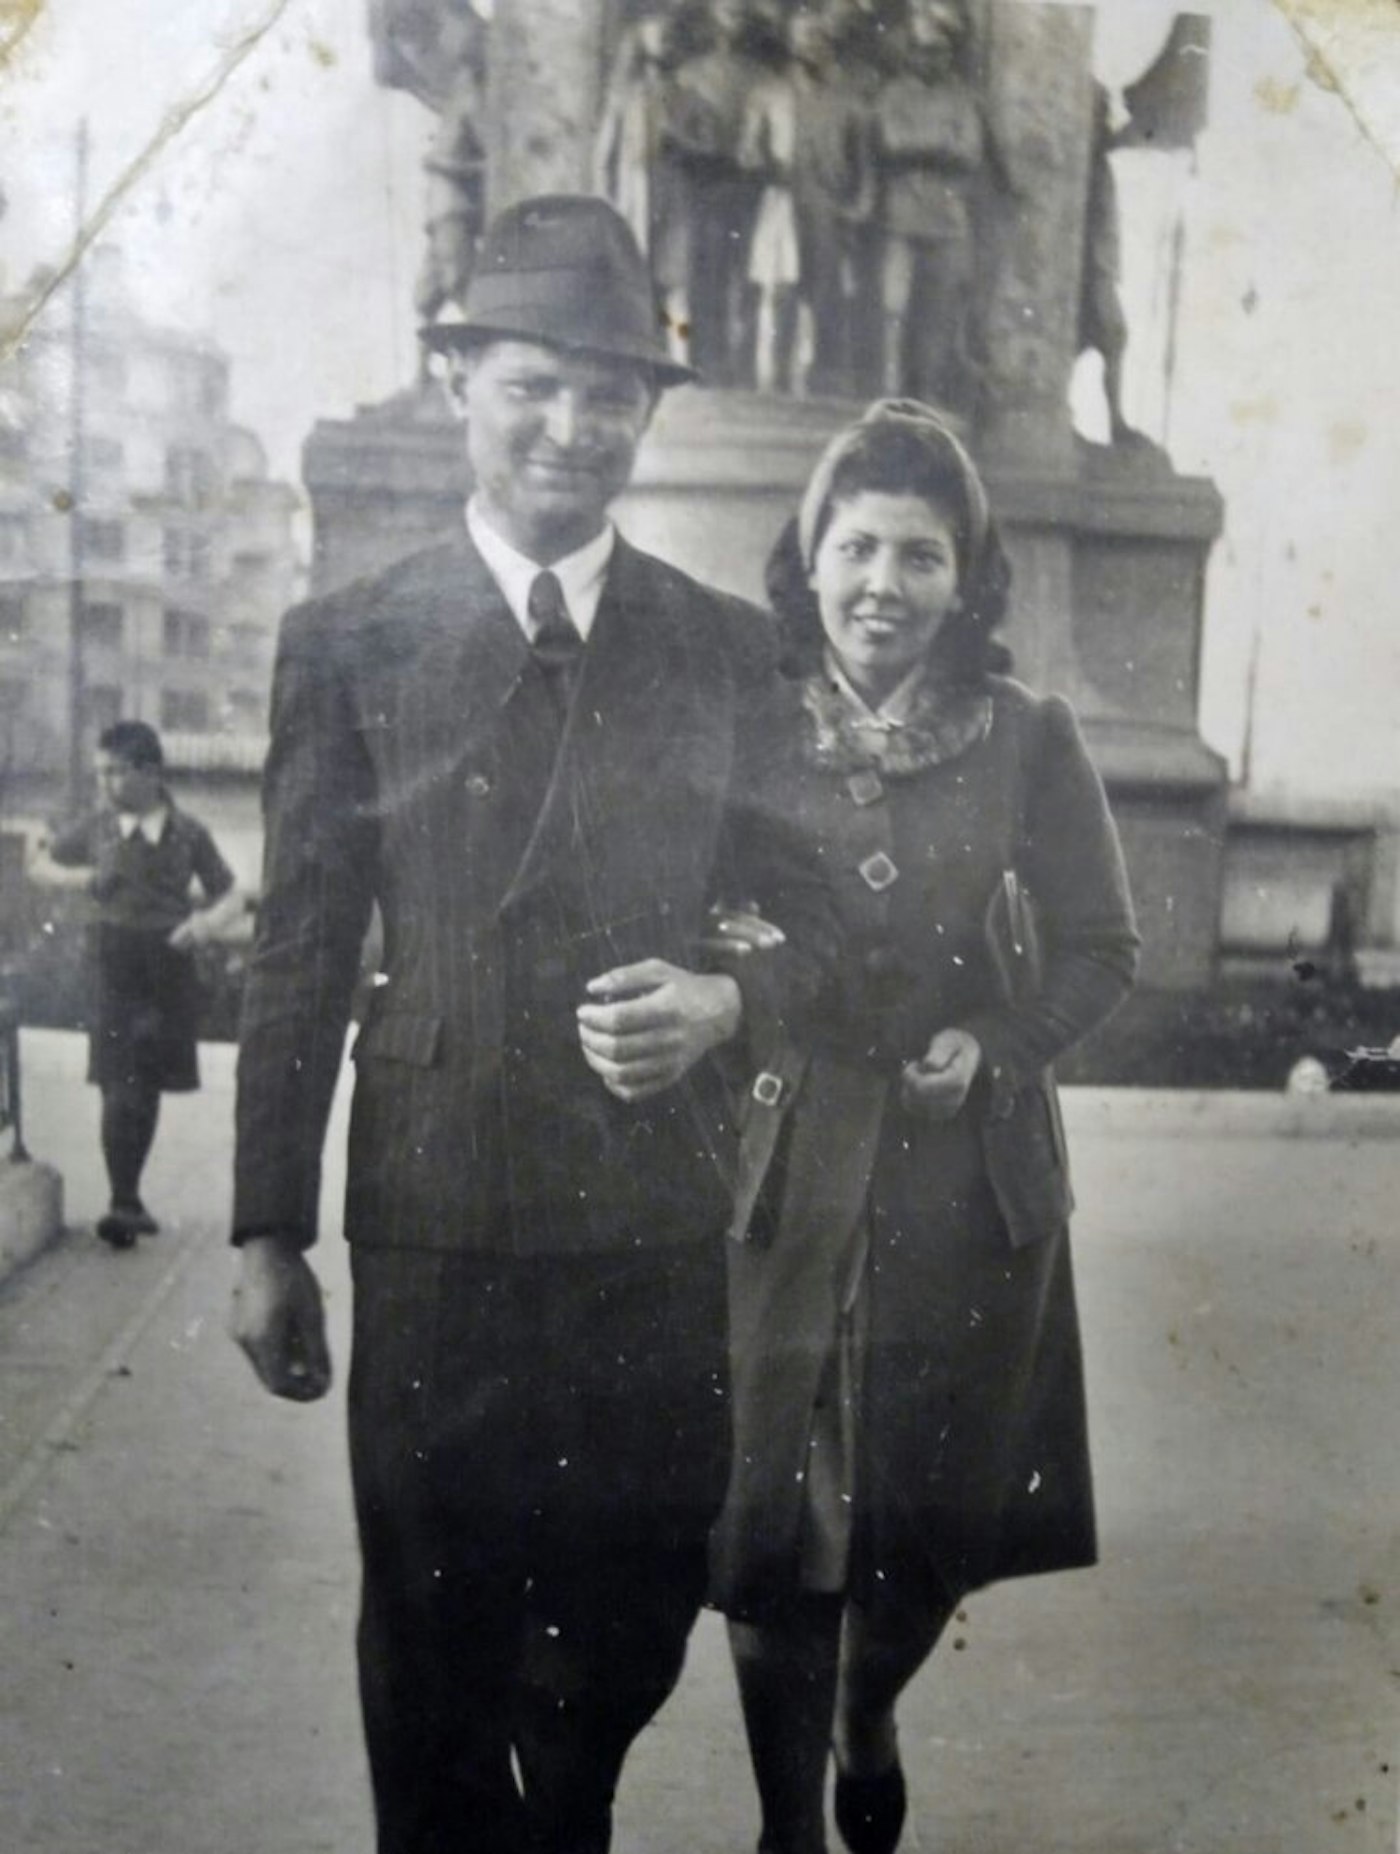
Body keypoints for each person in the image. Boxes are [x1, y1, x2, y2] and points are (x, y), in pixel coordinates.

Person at [227, 194, 836, 1854]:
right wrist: (268, 1226)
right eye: (531, 387)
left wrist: (727, 997)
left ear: (647, 411)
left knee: (619, 1638)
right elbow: (298, 945)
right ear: (457, 387)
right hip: (435, 1221)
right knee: (427, 1650)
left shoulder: (724, 649)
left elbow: (837, 922)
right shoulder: (349, 639)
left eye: (606, 395)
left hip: (643, 1228)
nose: (569, 429)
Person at [708, 400, 1140, 1854]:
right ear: (809, 560)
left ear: (967, 580)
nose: (882, 582)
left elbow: (1101, 945)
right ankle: (787, 1829)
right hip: (787, 1171)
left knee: (926, 1532)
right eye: (855, 547)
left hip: (967, 1183)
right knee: (779, 1526)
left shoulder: (1027, 736)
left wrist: (1001, 1041)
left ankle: (869, 1708)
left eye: (920, 554)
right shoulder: (744, 719)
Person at [32, 720, 239, 1248]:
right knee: (116, 1082)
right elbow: (39, 861)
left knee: (141, 1084)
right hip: (111, 962)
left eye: (116, 772)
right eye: (99, 773)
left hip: (166, 965)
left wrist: (201, 928)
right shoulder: (98, 827)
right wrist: (81, 879)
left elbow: (230, 893)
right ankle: (123, 1201)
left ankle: (128, 1196)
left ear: (150, 772)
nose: (104, 784)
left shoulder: (189, 832)